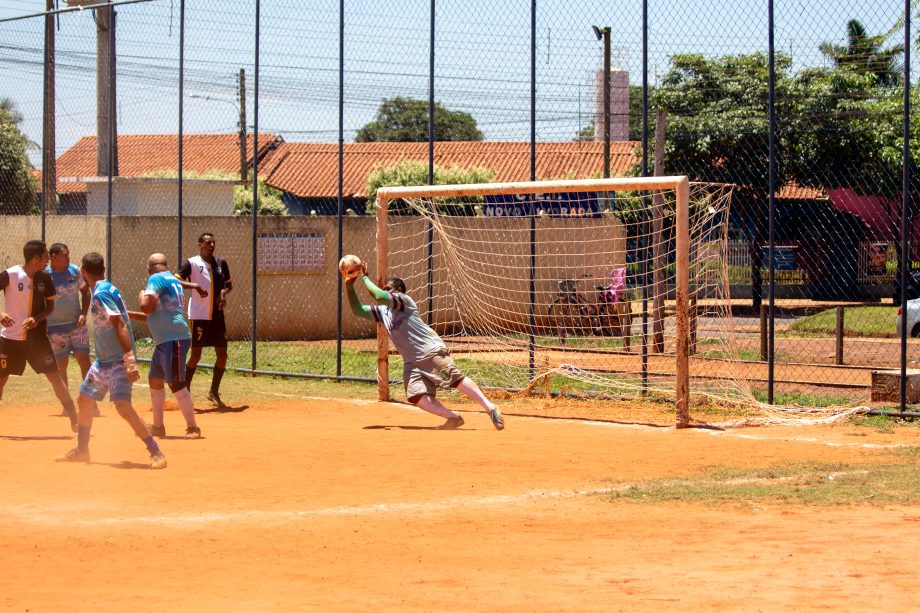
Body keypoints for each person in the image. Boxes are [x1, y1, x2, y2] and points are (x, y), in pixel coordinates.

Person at [345, 265, 504, 430]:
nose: (385, 291)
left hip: (430, 350)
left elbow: (378, 296)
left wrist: (363, 277)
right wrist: (349, 285)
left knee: (455, 379)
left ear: (398, 290)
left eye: (388, 289)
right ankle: (453, 418)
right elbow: (359, 310)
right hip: (412, 362)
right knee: (416, 396)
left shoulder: (403, 301)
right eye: (385, 289)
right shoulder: (384, 312)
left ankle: (490, 407)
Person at [55, 252, 166, 468]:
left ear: (83, 272)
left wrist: (129, 360)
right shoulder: (106, 288)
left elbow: (120, 325)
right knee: (85, 400)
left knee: (123, 407)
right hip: (103, 362)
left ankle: (156, 452)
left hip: (117, 361)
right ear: (103, 269)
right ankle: (82, 450)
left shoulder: (101, 294)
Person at [0, 240, 78, 431]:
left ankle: (74, 419)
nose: (48, 261)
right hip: (10, 339)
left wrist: (37, 318)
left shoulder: (44, 278)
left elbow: (50, 306)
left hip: (37, 339)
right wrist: (0, 314)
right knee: (1, 378)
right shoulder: (9, 275)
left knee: (54, 376)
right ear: (35, 258)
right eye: (45, 257)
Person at [130, 253, 203, 439]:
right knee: (155, 380)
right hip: (166, 340)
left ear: (149, 269)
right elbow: (152, 315)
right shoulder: (172, 280)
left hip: (174, 339)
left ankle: (193, 427)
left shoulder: (155, 279)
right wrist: (126, 314)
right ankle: (157, 426)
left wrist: (140, 295)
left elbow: (145, 307)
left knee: (176, 383)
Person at [178, 232, 233, 409]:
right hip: (199, 315)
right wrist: (193, 285)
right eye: (208, 242)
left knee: (223, 354)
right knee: (196, 355)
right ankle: (184, 394)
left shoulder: (221, 263)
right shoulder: (192, 263)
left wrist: (223, 293)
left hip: (217, 316)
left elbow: (228, 285)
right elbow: (176, 280)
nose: (211, 245)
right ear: (200, 244)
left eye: (213, 242)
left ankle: (213, 392)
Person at [45, 243, 93, 413]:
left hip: (76, 326)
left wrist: (83, 313)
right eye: (64, 255)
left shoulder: (74, 270)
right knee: (61, 367)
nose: (68, 257)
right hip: (54, 328)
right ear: (53, 257)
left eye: (68, 254)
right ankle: (68, 407)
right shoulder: (44, 275)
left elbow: (86, 292)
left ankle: (90, 403)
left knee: (84, 362)